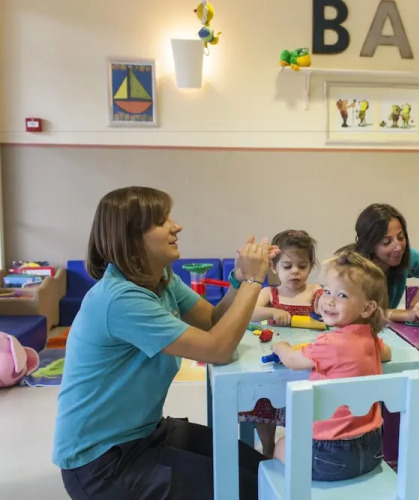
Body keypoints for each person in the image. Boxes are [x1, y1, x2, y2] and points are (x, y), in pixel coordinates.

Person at [52, 186, 277, 500]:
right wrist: (254, 281)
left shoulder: (162, 278)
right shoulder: (120, 299)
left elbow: (213, 320)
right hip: (101, 464)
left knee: (262, 472)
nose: (177, 226)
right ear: (130, 237)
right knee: (249, 489)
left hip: (146, 433)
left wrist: (239, 281)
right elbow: (218, 349)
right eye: (161, 221)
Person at [271, 251, 392, 481]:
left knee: (281, 445)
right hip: (372, 450)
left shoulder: (330, 343)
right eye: (327, 291)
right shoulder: (370, 338)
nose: (329, 300)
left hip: (329, 455)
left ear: (367, 308)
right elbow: (387, 353)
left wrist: (280, 346)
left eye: (342, 295)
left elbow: (293, 361)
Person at [242, 229, 323, 456]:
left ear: (310, 266)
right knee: (265, 402)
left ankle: (298, 446)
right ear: (274, 267)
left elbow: (324, 306)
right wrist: (272, 311)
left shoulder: (314, 290)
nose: (295, 271)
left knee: (301, 404)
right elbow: (250, 311)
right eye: (287, 266)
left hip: (303, 359)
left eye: (302, 266)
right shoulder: (270, 293)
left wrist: (322, 306)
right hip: (275, 357)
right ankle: (268, 447)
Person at [340, 203, 419, 322]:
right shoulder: (351, 267)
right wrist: (406, 315)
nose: (398, 247)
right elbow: (361, 311)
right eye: (386, 242)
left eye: (401, 237)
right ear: (370, 245)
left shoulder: (407, 256)